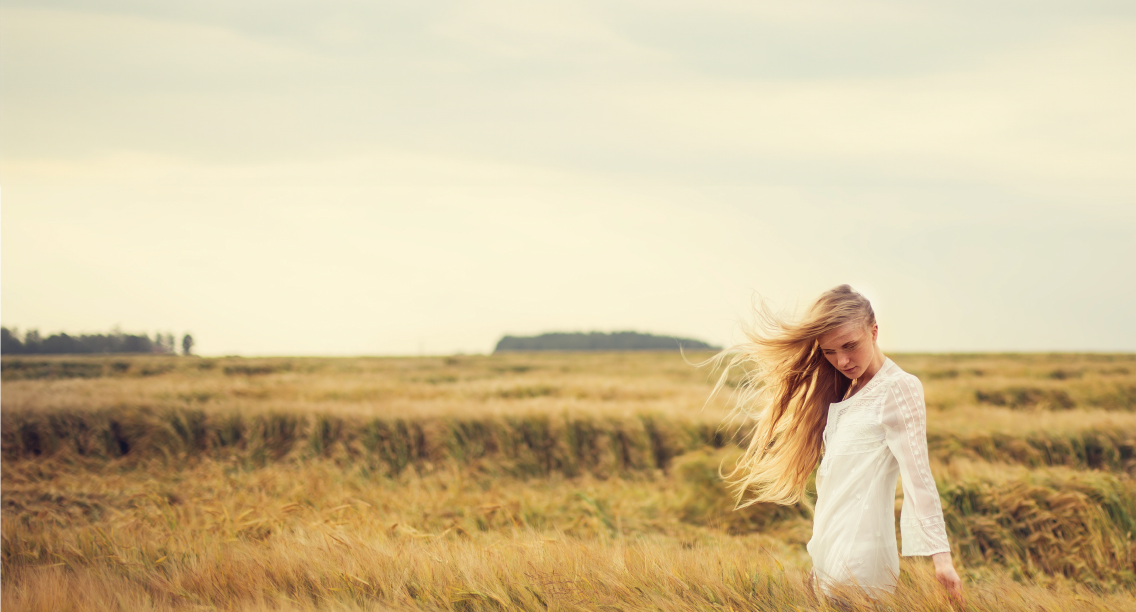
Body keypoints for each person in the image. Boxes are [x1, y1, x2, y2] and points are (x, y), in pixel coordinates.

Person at [707, 285, 962, 601]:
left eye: (850, 346)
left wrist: (942, 560)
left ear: (874, 331)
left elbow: (918, 479)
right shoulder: (846, 389)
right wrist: (820, 555)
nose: (842, 360)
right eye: (829, 352)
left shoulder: (899, 388)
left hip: (862, 559)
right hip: (828, 552)